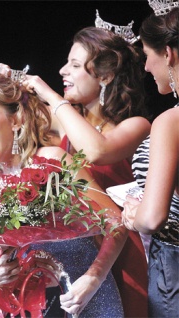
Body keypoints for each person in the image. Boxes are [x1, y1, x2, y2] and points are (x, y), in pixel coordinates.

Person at [1, 24, 150, 317]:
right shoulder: (68, 122)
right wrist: (6, 83)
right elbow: (19, 114)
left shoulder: (136, 125)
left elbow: (97, 151)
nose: (62, 70)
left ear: (105, 75)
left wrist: (50, 94)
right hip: (84, 253)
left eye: (75, 65)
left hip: (125, 250)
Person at [0, 72, 128, 317]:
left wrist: (93, 279)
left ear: (15, 120)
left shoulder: (51, 161)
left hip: (83, 301)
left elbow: (116, 223)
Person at [122, 6, 179, 317]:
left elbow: (153, 218)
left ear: (168, 53)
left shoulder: (170, 122)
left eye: (146, 55)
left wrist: (134, 215)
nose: (145, 68)